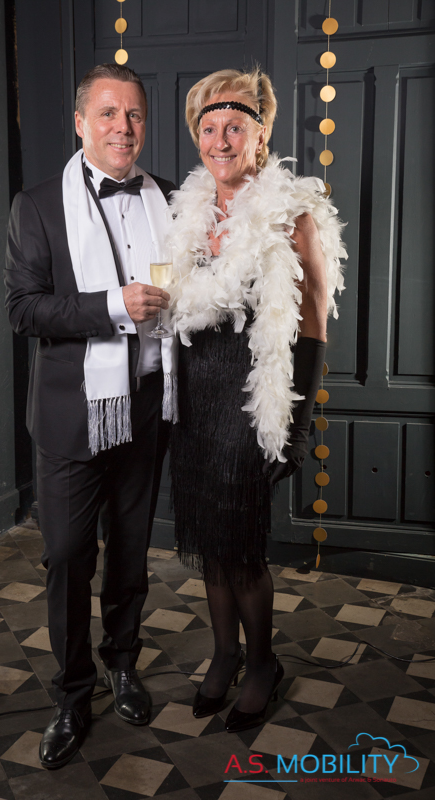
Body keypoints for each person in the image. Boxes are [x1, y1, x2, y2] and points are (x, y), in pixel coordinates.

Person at [5, 63, 177, 769]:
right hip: (71, 415)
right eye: (108, 113)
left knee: (131, 551)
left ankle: (122, 663)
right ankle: (73, 694)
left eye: (133, 114)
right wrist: (113, 306)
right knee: (70, 558)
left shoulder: (169, 197)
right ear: (80, 124)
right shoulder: (38, 205)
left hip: (147, 405)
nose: (122, 128)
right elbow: (23, 310)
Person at [168, 67, 346, 732]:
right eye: (209, 127)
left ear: (260, 134)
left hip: (252, 405)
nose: (220, 140)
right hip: (195, 400)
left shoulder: (290, 216)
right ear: (198, 137)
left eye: (234, 127)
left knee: (241, 548)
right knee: (210, 544)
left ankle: (263, 664)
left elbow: (313, 327)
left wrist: (292, 429)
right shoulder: (187, 214)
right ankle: (224, 654)